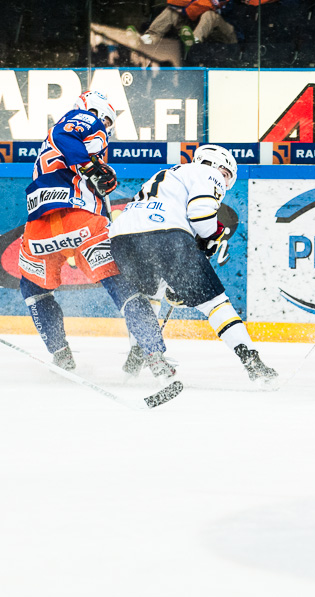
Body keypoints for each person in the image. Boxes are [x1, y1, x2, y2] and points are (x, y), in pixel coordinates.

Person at [18, 90, 173, 380]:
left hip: (39, 229)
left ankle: (60, 354)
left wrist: (96, 171)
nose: (108, 128)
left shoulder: (60, 144)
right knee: (122, 286)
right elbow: (65, 135)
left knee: (33, 290)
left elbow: (67, 153)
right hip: (81, 222)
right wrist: (93, 166)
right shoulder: (87, 119)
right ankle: (155, 355)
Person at [108, 145, 278, 384]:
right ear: (217, 164)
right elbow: (201, 216)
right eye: (226, 175)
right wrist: (210, 238)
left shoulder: (167, 175)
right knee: (215, 303)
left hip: (122, 238)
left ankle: (138, 354)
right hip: (165, 233)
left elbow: (154, 228)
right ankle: (253, 362)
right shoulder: (208, 172)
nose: (224, 182)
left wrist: (176, 281)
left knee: (148, 297)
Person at [140, 0, 238, 49]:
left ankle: (194, 40)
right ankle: (151, 36)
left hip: (225, 33)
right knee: (171, 11)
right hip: (199, 30)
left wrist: (188, 8)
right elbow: (173, 3)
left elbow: (211, 8)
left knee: (210, 14)